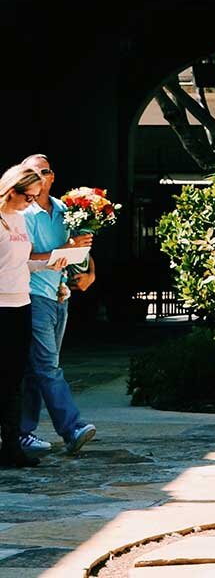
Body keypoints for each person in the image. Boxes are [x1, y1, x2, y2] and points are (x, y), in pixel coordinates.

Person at [18, 155, 96, 457]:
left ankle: (23, 433)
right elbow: (22, 259)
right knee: (48, 366)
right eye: (32, 172)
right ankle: (72, 428)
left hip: (59, 296)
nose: (38, 176)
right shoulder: (23, 214)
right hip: (33, 295)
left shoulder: (66, 211)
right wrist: (62, 252)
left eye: (44, 171)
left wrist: (87, 271)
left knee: (35, 369)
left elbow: (80, 250)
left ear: (52, 177)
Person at [1, 163, 62, 468]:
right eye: (28, 197)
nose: (31, 204)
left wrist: (49, 264)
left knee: (14, 378)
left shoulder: (20, 220)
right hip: (0, 306)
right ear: (12, 191)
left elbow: (22, 263)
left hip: (21, 303)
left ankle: (12, 447)